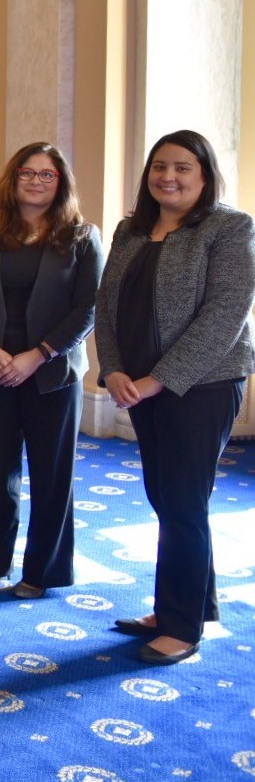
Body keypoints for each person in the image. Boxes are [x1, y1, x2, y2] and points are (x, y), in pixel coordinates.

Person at [95, 130, 255, 665]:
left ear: (204, 175)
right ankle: (187, 604)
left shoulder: (229, 229)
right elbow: (107, 307)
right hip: (139, 386)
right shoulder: (130, 230)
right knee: (167, 497)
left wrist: (156, 380)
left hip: (202, 386)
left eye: (183, 168)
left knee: (184, 501)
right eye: (160, 166)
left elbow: (224, 320)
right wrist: (114, 370)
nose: (169, 177)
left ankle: (182, 627)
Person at [0, 143, 103, 599]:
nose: (36, 181)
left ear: (61, 182)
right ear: (13, 178)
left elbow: (89, 308)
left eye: (47, 175)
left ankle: (42, 572)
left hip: (52, 373)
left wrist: (38, 354)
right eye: (28, 173)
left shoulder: (83, 237)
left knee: (52, 475)